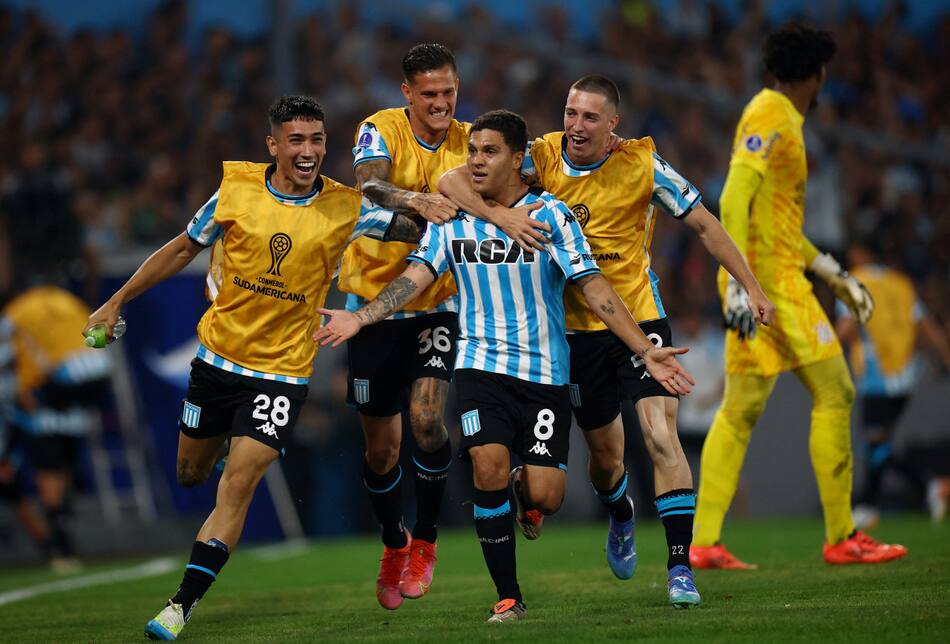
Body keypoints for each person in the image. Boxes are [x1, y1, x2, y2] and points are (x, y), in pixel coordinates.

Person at [316, 109, 696, 621]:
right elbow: (417, 276)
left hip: (545, 372)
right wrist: (362, 318)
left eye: (489, 152)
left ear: (518, 159)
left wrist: (642, 347)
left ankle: (528, 487)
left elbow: (593, 285)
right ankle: (509, 595)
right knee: (485, 465)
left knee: (548, 495)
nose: (475, 161)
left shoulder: (552, 216)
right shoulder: (454, 219)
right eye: (472, 151)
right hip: (479, 365)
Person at [84, 95, 423, 641]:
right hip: (217, 360)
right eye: (296, 140)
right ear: (273, 145)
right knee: (191, 472)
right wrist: (116, 300)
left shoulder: (347, 206)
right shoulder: (236, 189)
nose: (308, 150)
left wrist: (459, 210)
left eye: (316, 140)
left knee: (237, 486)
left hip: (282, 372)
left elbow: (417, 230)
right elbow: (180, 248)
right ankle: (219, 446)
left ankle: (180, 605)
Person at [439, 75, 772, 607]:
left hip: (640, 323)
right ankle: (621, 514)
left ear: (612, 124)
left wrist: (751, 285)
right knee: (607, 460)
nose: (576, 125)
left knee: (662, 436)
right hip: (572, 333)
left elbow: (705, 225)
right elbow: (452, 182)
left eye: (590, 117)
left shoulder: (642, 165)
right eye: (571, 112)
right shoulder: (542, 156)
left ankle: (680, 567)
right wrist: (500, 215)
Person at [690, 23, 908, 569]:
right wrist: (741, 284)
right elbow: (733, 195)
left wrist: (834, 274)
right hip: (772, 286)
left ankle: (704, 542)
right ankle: (842, 536)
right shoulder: (770, 114)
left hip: (771, 276)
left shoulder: (777, 115)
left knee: (740, 410)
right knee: (836, 391)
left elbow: (778, 224)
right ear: (819, 74)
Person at [338, 43, 544, 609]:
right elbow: (370, 189)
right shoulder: (378, 129)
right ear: (407, 93)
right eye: (428, 93)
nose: (440, 103)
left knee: (427, 419)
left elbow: (512, 188)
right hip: (375, 303)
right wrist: (420, 203)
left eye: (448, 92)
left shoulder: (472, 140)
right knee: (381, 451)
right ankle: (393, 540)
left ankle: (426, 539)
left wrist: (493, 214)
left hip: (440, 304)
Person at [836, 238, 950, 527]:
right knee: (877, 443)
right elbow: (926, 327)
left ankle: (925, 485)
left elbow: (848, 325)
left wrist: (825, 350)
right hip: (906, 376)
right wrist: (946, 356)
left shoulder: (853, 281)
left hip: (877, 375)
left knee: (876, 441)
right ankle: (872, 504)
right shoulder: (901, 284)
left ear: (859, 253)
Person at [2, 285, 111, 573]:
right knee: (58, 473)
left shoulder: (15, 313)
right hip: (88, 379)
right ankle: (59, 540)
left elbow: (7, 359)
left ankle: (57, 545)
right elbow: (97, 335)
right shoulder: (68, 301)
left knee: (38, 474)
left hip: (44, 400)